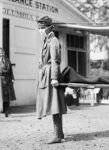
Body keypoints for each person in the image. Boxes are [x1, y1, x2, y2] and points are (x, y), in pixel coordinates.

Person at [36, 16, 66, 144]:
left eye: (42, 28)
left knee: (55, 105)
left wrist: (54, 78)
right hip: (45, 74)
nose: (41, 30)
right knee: (52, 105)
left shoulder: (53, 41)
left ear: (49, 28)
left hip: (50, 76)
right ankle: (60, 133)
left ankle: (57, 135)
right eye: (40, 28)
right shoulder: (46, 40)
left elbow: (55, 60)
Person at [0, 48, 16, 117]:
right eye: (0, 52)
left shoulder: (7, 61)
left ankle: (7, 112)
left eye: (2, 52)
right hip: (0, 80)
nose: (1, 53)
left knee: (7, 97)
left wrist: (12, 78)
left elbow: (11, 71)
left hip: (6, 80)